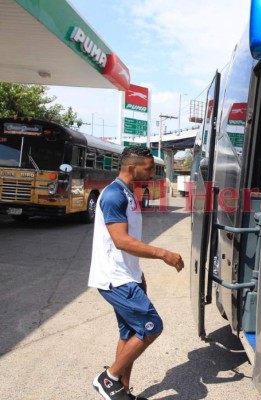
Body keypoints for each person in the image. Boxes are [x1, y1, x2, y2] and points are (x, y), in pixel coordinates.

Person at [89, 145, 184, 400]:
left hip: (127, 275)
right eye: (150, 167)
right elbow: (121, 240)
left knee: (130, 334)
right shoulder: (113, 196)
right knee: (152, 327)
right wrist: (163, 254)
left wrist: (136, 272)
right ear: (132, 168)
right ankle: (108, 378)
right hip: (115, 279)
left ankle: (123, 392)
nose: (153, 172)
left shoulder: (129, 192)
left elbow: (126, 241)